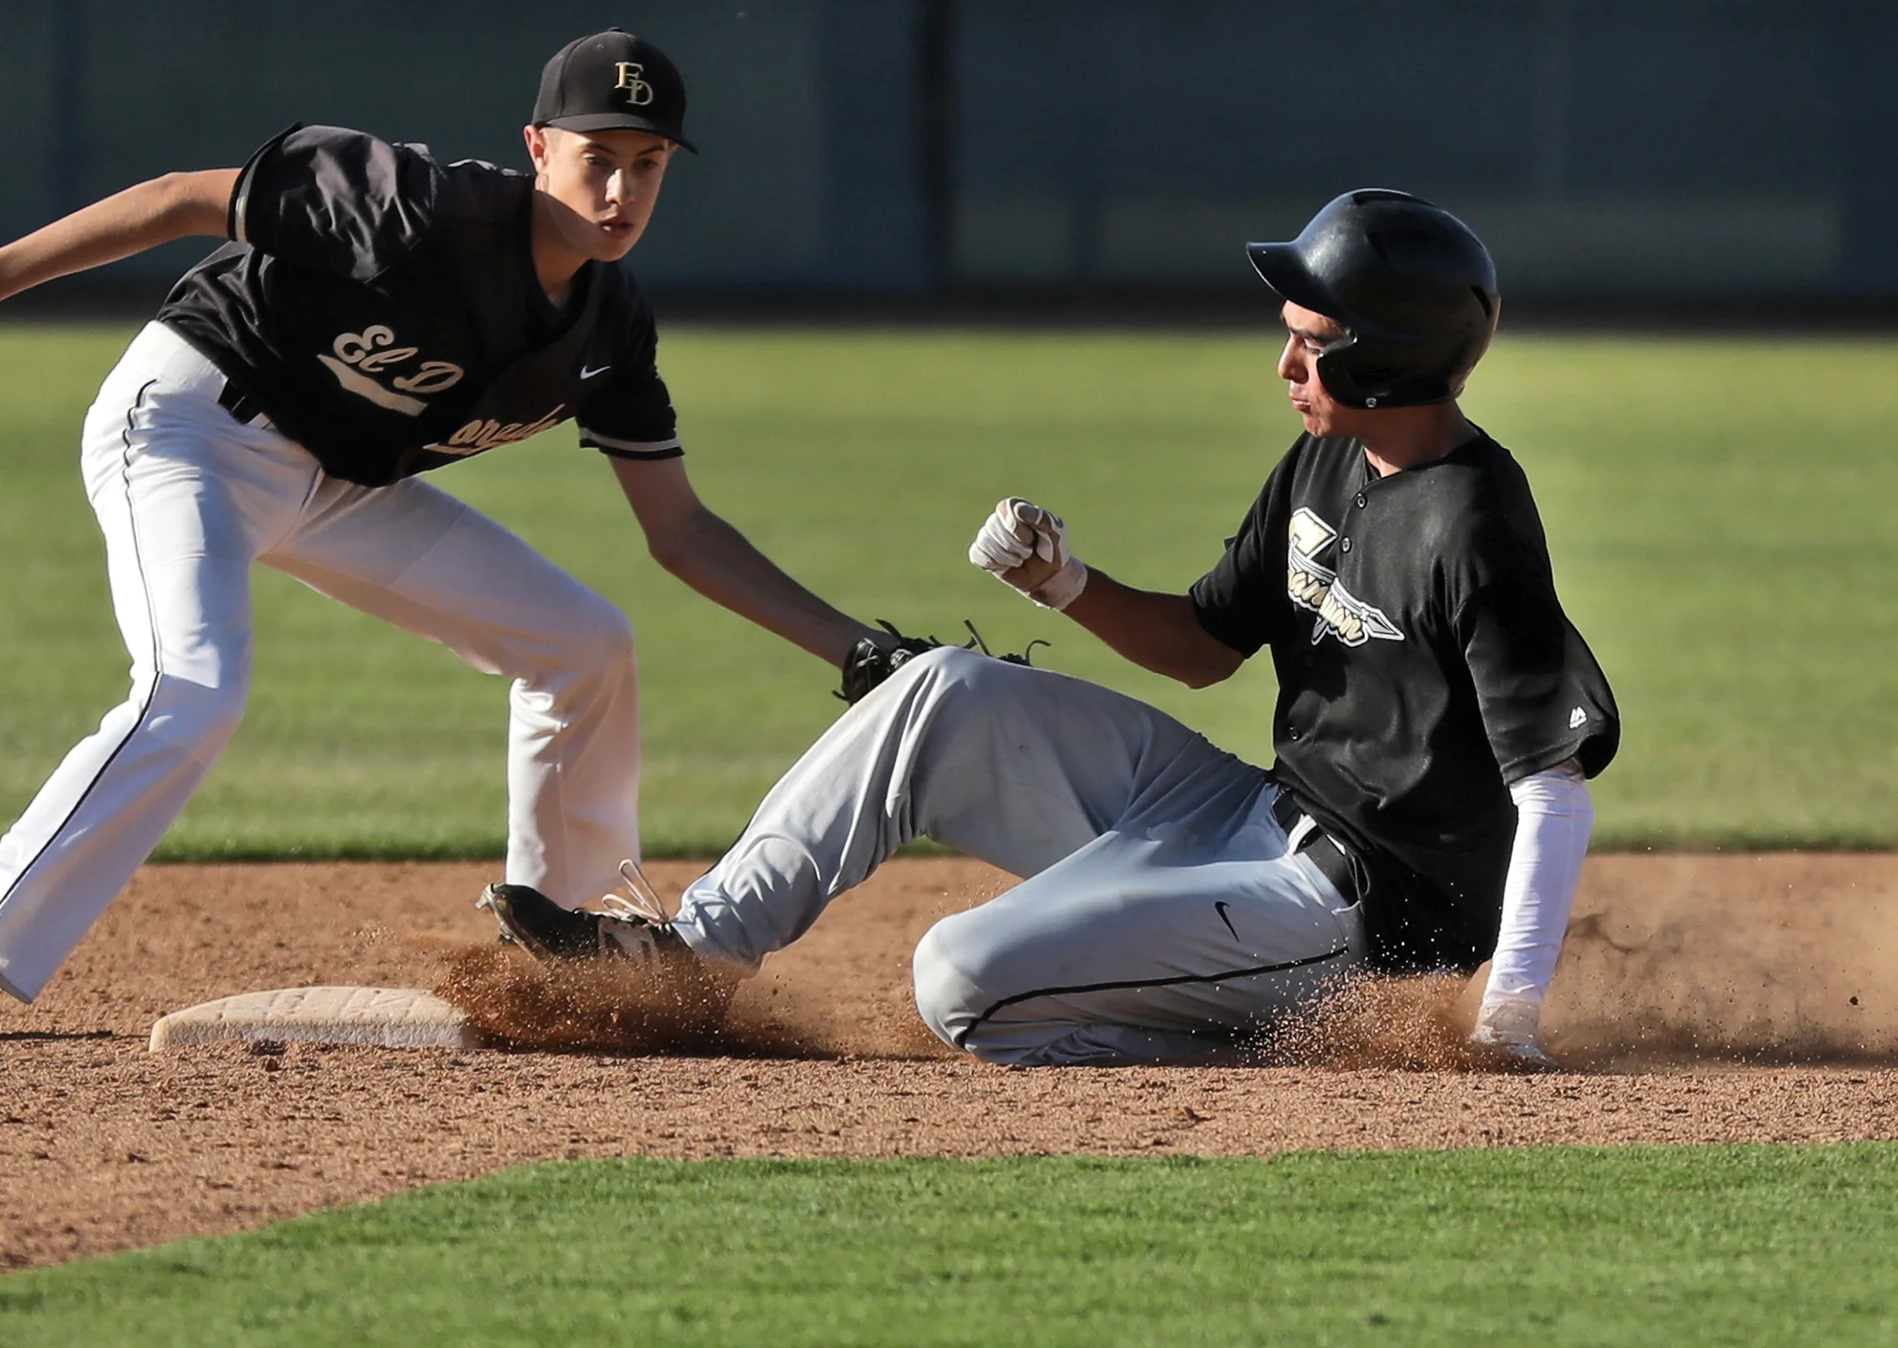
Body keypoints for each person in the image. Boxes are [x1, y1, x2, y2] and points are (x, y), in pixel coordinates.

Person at [0, 29, 904, 1040]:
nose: (622, 191)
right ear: (539, 148)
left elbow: (681, 530)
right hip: (193, 424)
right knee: (194, 687)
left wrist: (861, 651)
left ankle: (570, 963)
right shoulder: (416, 206)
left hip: (341, 484)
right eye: (599, 158)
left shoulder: (609, 326)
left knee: (585, 645)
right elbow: (179, 199)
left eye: (649, 163)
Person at [482, 189, 1620, 1071]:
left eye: (1311, 340)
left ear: (1386, 355)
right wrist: (1066, 584)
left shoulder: (1475, 522)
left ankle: (1296, 1045)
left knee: (959, 978)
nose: (1285, 362)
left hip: (1355, 912)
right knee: (938, 689)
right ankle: (690, 956)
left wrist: (1508, 1013)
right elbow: (1203, 647)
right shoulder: (1327, 457)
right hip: (1242, 815)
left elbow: (1552, 786)